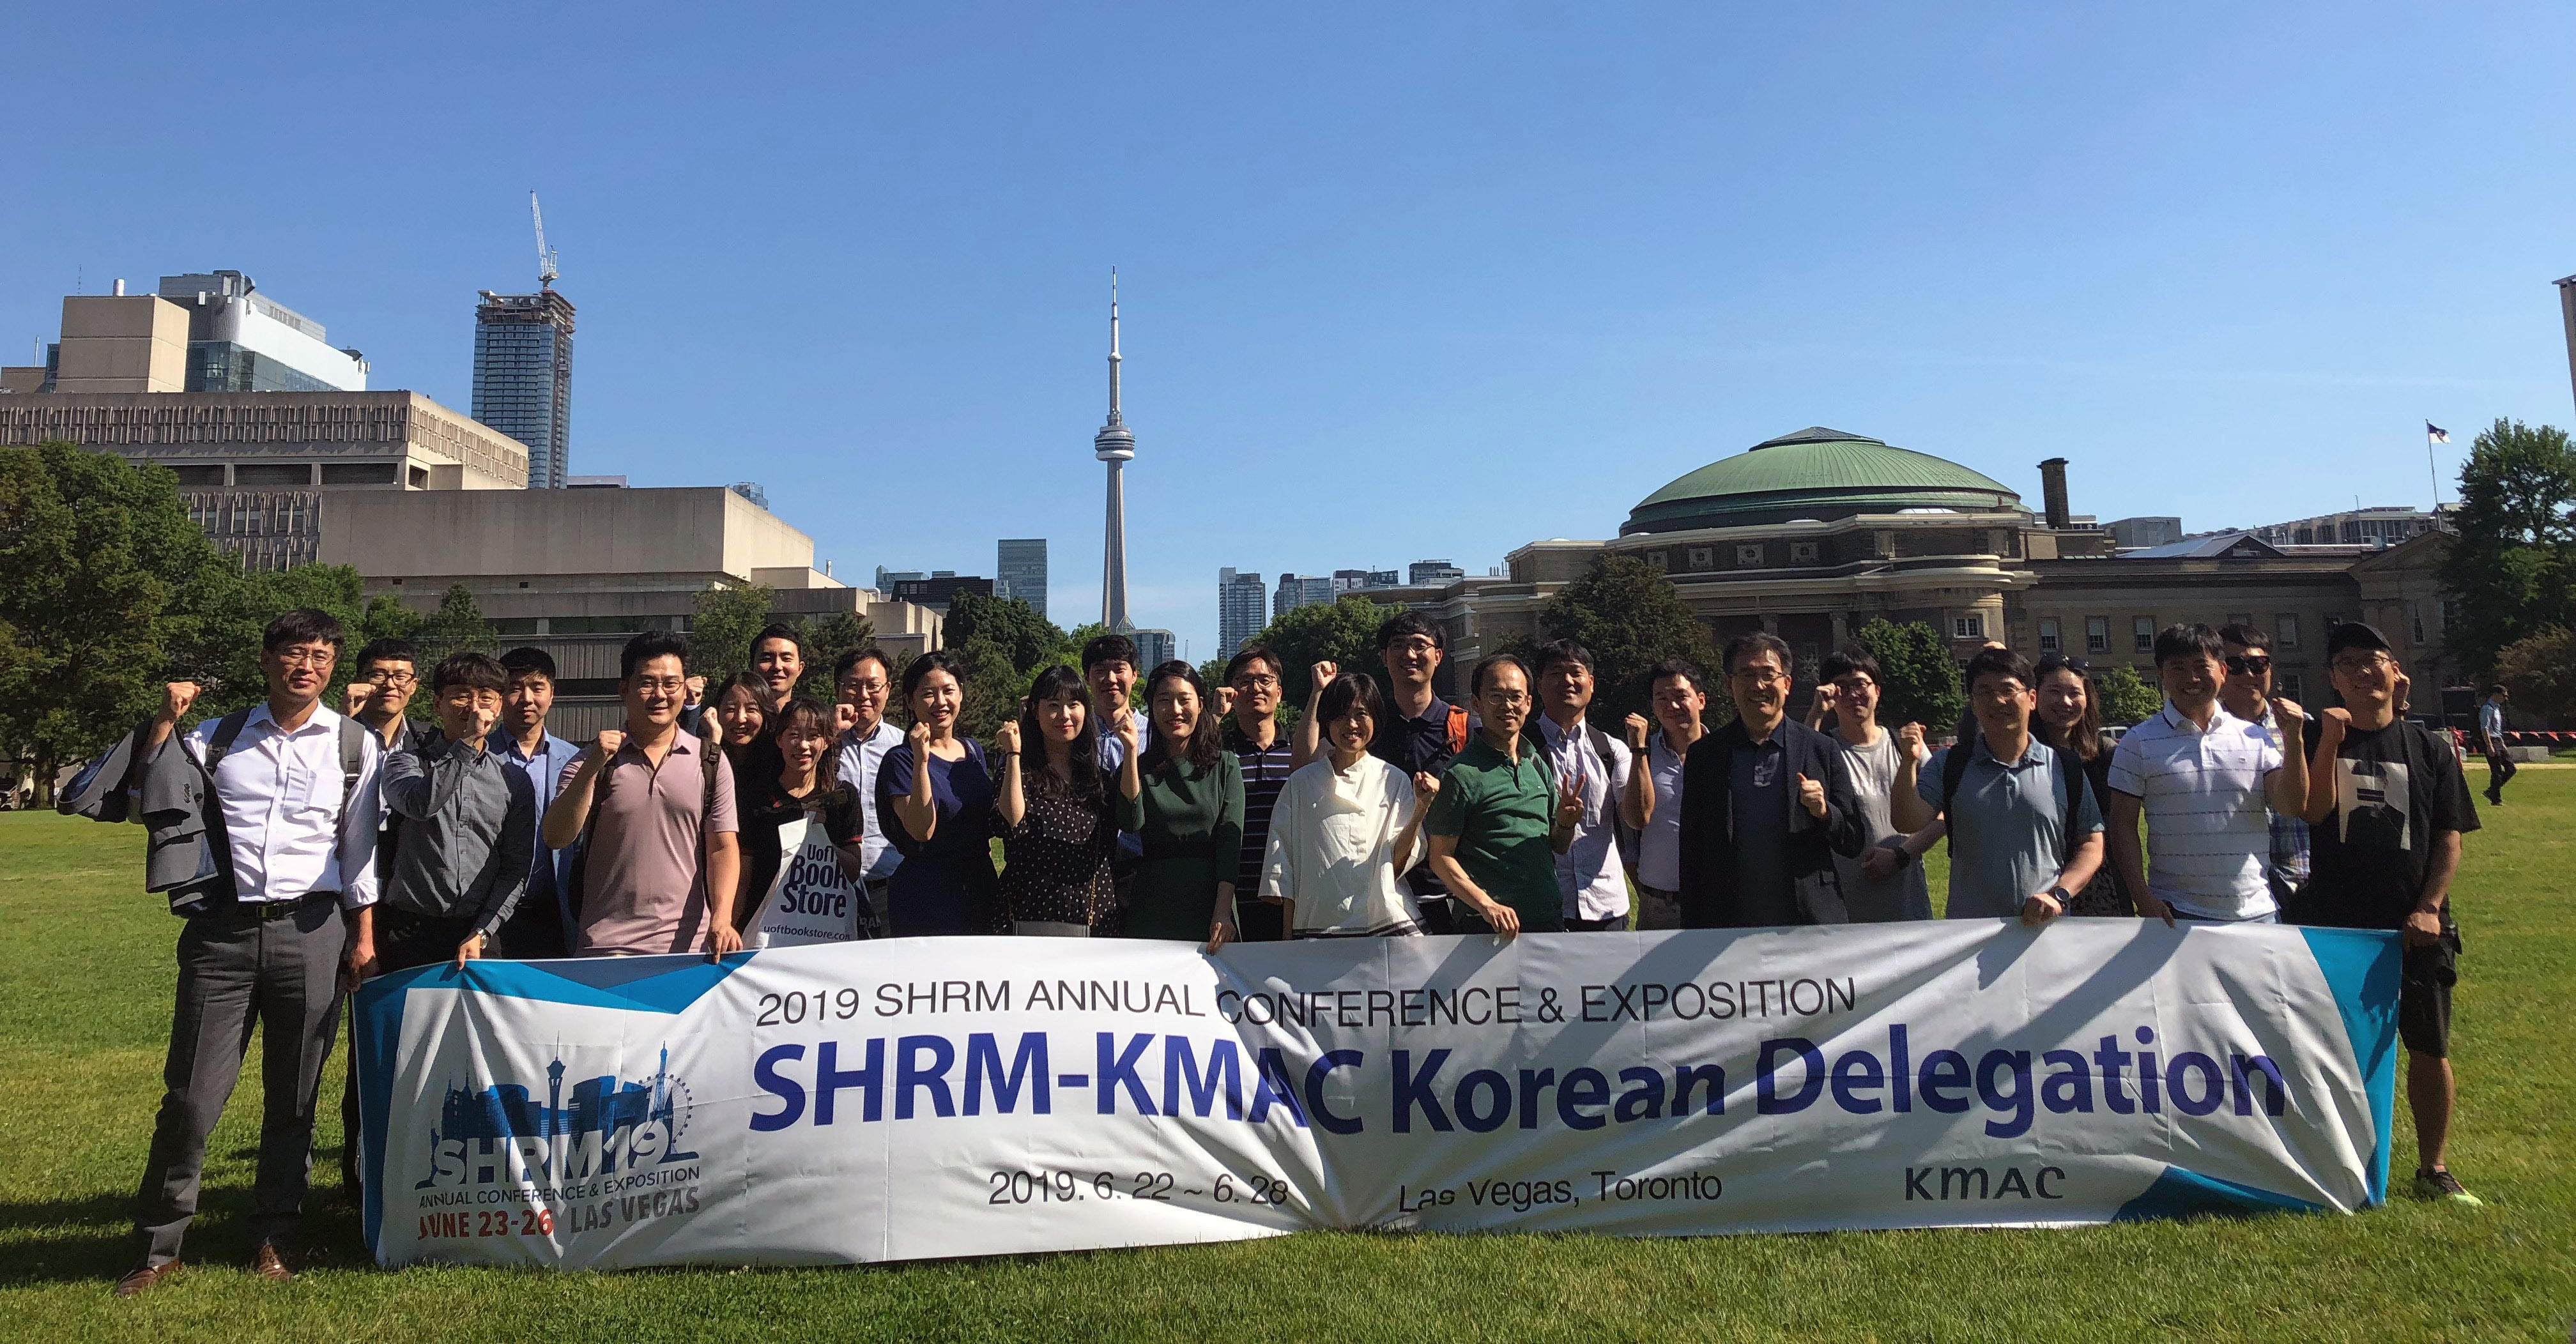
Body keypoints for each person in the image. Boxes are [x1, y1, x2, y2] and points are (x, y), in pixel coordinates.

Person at [119, 608, 384, 1295]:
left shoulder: (354, 745)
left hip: (315, 929)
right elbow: (145, 796)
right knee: (191, 1097)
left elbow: (359, 851)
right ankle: (159, 1245)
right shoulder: (215, 738)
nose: (308, 666)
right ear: (267, 660)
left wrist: (363, 937)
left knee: (294, 1098)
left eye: (322, 656)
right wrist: (164, 720)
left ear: (333, 668)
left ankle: (275, 1236)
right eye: (295, 653)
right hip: (221, 933)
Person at [2292, 622, 2484, 1203]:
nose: (2360, 671)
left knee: (2429, 1048)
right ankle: (2339, 1167)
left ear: (2393, 670)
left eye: (2372, 659)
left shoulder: (2429, 747)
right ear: (2333, 678)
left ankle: (2433, 1170)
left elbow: (2449, 836)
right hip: (2339, 927)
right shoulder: (2312, 743)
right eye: (2346, 663)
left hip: (2416, 928)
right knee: (2335, 1053)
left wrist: (2429, 907)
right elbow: (2313, 813)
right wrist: (2326, 740)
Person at [542, 631, 744, 956]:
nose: (660, 695)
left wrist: (722, 919)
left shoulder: (711, 761)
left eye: (671, 684)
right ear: (625, 689)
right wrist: (593, 766)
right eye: (647, 683)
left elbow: (722, 846)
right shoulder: (592, 761)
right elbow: (556, 836)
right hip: (606, 947)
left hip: (690, 948)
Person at [2105, 623, 2309, 925]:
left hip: (2257, 911)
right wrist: (2142, 896)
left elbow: (2292, 806)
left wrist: (2295, 740)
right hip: (2176, 911)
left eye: (2202, 666)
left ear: (2223, 671)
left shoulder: (2254, 736)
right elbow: (2122, 825)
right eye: (2177, 668)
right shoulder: (2138, 742)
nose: (2192, 678)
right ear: (2161, 674)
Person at [1895, 647, 2104, 925]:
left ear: (2031, 699)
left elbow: (2091, 844)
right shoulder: (1951, 763)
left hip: (2045, 931)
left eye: (2008, 689)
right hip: (1970, 932)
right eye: (1984, 692)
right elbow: (1907, 820)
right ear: (1973, 703)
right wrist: (1908, 763)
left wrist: (2059, 894)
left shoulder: (2063, 767)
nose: (1998, 700)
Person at [362, 652, 537, 974]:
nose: (473, 708)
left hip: (478, 932)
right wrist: (467, 745)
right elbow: (419, 804)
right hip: (408, 931)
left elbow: (516, 866)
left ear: (498, 707)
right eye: (461, 696)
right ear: (437, 704)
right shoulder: (405, 763)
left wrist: (483, 930)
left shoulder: (514, 781)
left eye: (486, 698)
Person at [1677, 632, 1865, 928]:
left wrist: (1825, 813)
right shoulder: (1705, 756)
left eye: (1769, 674)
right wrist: (1692, 929)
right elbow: (1691, 851)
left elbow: (1853, 840)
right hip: (1727, 923)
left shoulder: (1820, 749)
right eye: (1747, 674)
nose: (1759, 685)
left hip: (1808, 922)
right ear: (1730, 685)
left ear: (1787, 684)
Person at [1260, 672, 1440, 937]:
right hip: (1317, 930)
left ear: (1375, 719)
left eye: (1361, 714)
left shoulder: (1393, 780)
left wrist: (1420, 809)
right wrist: (1290, 946)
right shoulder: (1301, 784)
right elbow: (1284, 870)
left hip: (1384, 928)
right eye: (1341, 716)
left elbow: (1397, 862)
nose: (1351, 725)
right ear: (1327, 722)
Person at [1424, 654, 1581, 936]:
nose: (1508, 706)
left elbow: (1558, 846)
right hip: (1485, 928)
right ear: (1477, 704)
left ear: (1529, 703)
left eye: (1516, 697)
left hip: (1546, 921)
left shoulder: (1536, 764)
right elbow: (1440, 857)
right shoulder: (1460, 774)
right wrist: (1486, 905)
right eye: (1496, 696)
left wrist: (1567, 822)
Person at [1342, 611, 1473, 931]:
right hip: (1381, 893)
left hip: (1453, 893)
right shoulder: (1368, 730)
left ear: (1438, 656)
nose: (1410, 655)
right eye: (1398, 645)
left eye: (1420, 645)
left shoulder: (1466, 730)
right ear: (1384, 658)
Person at [993, 665, 1143, 935]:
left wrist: (1130, 750)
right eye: (1053, 705)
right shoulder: (1019, 770)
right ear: (1035, 712)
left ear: (1085, 711)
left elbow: (1130, 817)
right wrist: (1014, 755)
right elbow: (1011, 821)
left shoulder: (1099, 778)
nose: (1064, 715)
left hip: (1093, 918)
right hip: (1025, 917)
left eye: (1073, 704)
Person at [732, 697, 877, 945]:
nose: (803, 745)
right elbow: (743, 875)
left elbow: (852, 870)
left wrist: (819, 833)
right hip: (762, 933)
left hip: (824, 934)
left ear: (827, 741)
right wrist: (730, 926)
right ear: (779, 740)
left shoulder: (843, 797)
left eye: (813, 736)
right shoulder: (756, 797)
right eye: (794, 735)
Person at [877, 650, 1000, 936]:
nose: (941, 702)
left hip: (981, 885)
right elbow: (921, 830)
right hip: (927, 895)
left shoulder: (972, 751)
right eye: (928, 694)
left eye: (948, 691)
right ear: (910, 701)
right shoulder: (900, 760)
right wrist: (922, 759)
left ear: (961, 695)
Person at [1527, 639, 1647, 931]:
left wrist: (1639, 750)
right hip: (1542, 906)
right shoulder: (1522, 747)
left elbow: (1637, 817)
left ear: (1591, 684)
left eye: (1576, 673)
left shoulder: (1612, 749)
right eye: (1556, 673)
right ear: (1540, 685)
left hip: (1606, 906)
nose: (1567, 681)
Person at [1126, 662, 1246, 951]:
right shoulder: (1139, 769)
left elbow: (1231, 845)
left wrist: (1222, 911)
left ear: (1201, 705)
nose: (1175, 710)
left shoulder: (1225, 765)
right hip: (1153, 903)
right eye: (1164, 701)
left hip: (1211, 903)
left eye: (1184, 699)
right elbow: (1129, 822)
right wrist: (1130, 753)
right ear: (1152, 708)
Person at [1811, 647, 1933, 921]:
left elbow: (1942, 814)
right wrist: (1816, 713)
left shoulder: (1906, 748)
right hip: (1846, 910)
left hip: (1907, 904)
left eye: (1860, 684)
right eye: (1841, 686)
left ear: (1877, 691)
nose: (1853, 694)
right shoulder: (1825, 749)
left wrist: (1900, 856)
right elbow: (1797, 769)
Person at [487, 646, 580, 958]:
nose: (527, 698)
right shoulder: (477, 754)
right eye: (515, 688)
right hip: (489, 911)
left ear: (552, 694)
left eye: (537, 687)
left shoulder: (575, 761)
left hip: (555, 909)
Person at [2028, 652, 2132, 916]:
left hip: (2099, 880)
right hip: (2038, 879)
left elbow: (2121, 826)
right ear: (2033, 696)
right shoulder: (2021, 755)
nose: (2065, 701)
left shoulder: (2105, 754)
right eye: (2054, 691)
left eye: (2074, 693)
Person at [2218, 623, 2310, 916]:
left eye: (2258, 664)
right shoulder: (2203, 735)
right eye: (2235, 665)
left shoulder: (2304, 726)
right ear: (2220, 672)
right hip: (2240, 892)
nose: (2248, 674)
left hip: (2304, 883)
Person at [1220, 645, 1300, 942]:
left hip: (1290, 896)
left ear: (1279, 691)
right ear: (1231, 692)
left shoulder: (1300, 752)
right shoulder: (1218, 753)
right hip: (1232, 900)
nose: (1256, 688)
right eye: (1244, 681)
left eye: (1265, 680)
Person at [829, 646, 903, 931]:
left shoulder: (904, 746)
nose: (863, 696)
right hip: (828, 888)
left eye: (873, 686)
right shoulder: (817, 741)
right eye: (852, 686)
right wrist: (831, 735)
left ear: (888, 690)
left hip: (890, 888)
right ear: (838, 689)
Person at [1632, 659, 1708, 931]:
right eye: (1661, 698)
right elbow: (1634, 820)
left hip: (1713, 898)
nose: (1671, 706)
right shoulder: (1643, 753)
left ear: (1701, 700)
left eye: (1680, 696)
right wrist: (1637, 750)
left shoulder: (1722, 752)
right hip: (1658, 903)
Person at [747, 623, 807, 711]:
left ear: (800, 668)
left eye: (786, 659)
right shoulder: (740, 720)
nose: (777, 667)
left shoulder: (813, 722)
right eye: (767, 659)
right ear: (751, 667)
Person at [2478, 683, 2513, 806]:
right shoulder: (2487, 709)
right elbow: (2485, 728)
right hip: (2491, 740)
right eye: (2504, 696)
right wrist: (2489, 746)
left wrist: (2502, 743)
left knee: (2511, 768)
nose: (2505, 699)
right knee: (2496, 771)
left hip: (2498, 740)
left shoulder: (2497, 709)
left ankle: (2491, 791)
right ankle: (2496, 799)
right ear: (2496, 695)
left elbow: (2498, 730)